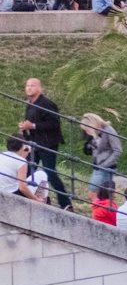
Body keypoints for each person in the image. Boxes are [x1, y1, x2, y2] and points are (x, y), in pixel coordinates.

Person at [20, 78, 70, 208]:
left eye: (32, 85)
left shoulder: (47, 104)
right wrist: (25, 128)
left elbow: (54, 123)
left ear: (39, 88)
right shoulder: (30, 103)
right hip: (34, 143)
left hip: (48, 143)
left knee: (50, 172)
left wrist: (33, 126)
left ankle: (66, 203)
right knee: (28, 170)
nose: (29, 88)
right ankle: (28, 196)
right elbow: (30, 123)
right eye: (27, 85)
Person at [80, 112, 122, 193]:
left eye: (87, 129)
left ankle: (101, 205)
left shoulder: (109, 130)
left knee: (94, 191)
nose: (86, 132)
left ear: (93, 124)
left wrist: (105, 165)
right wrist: (93, 138)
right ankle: (101, 204)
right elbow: (90, 150)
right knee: (98, 192)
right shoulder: (93, 133)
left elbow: (118, 150)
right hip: (97, 165)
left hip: (107, 166)